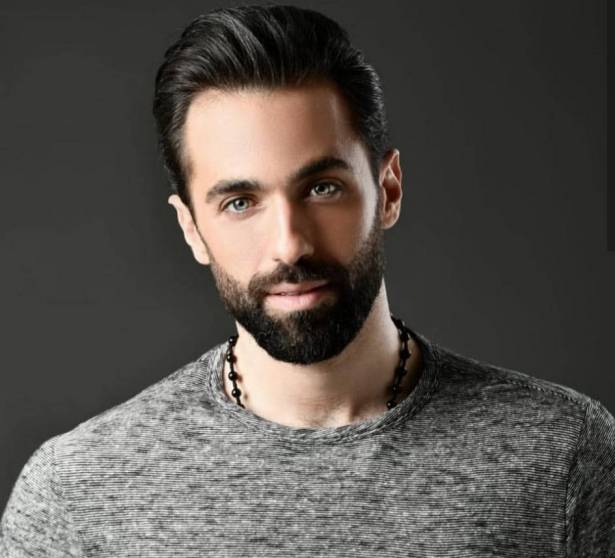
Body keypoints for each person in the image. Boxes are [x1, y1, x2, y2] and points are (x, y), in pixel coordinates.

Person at [1, 4, 613, 557]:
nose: (290, 243)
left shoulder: (564, 458)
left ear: (388, 190)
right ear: (191, 228)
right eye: (240, 202)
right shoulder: (77, 496)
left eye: (322, 188)